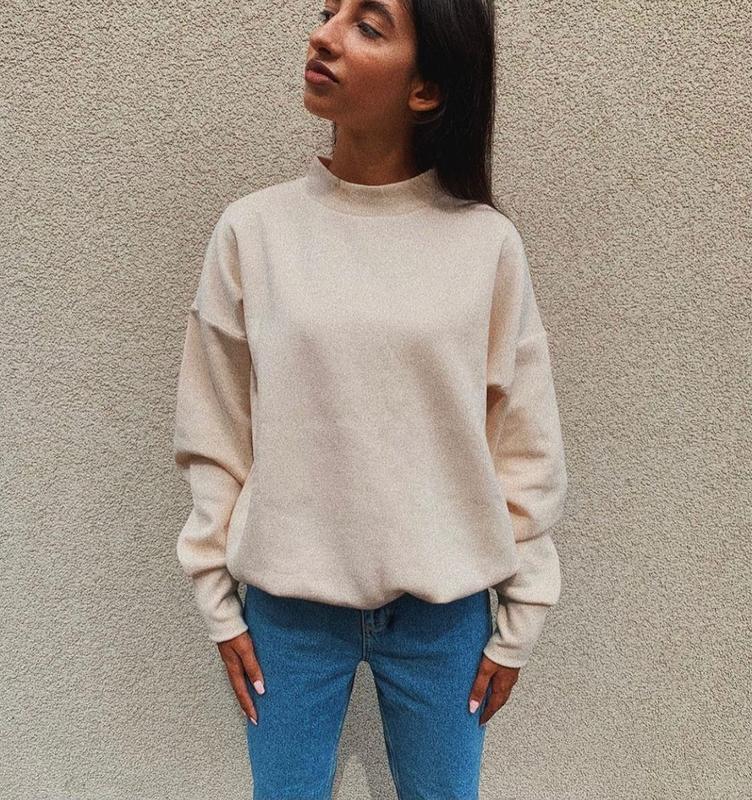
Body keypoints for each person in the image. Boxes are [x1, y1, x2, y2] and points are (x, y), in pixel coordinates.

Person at [172, 0, 567, 797]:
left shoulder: (486, 244)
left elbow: (522, 441)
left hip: (445, 615)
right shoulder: (253, 232)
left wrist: (521, 615)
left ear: (426, 88)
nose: (323, 34)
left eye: (368, 25)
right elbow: (215, 431)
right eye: (329, 13)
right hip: (286, 614)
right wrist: (217, 599)